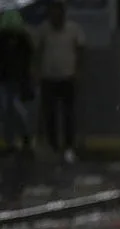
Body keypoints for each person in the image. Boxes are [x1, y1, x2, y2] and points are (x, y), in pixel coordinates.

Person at [35, 0, 85, 164]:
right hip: (48, 77)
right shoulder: (43, 29)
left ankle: (69, 147)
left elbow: (80, 51)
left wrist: (78, 71)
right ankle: (54, 147)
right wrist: (36, 72)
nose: (55, 16)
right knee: (50, 114)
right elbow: (38, 50)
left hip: (67, 76)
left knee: (68, 114)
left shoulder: (73, 29)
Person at [0, 10, 34, 154]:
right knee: (10, 111)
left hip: (14, 79)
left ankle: (18, 140)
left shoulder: (22, 40)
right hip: (8, 79)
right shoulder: (21, 40)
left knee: (12, 110)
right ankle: (16, 141)